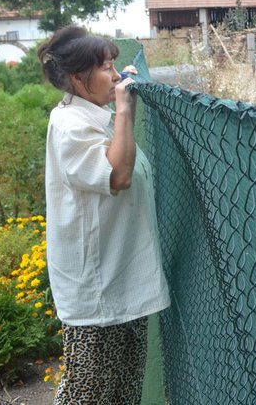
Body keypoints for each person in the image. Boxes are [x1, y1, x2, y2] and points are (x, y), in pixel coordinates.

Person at [38, 25, 169, 405]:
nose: (115, 76)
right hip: (96, 288)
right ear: (78, 79)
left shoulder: (96, 115)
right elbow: (119, 175)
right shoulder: (70, 125)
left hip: (122, 276)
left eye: (114, 65)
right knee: (89, 392)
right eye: (105, 68)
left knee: (124, 390)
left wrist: (119, 106)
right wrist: (126, 109)